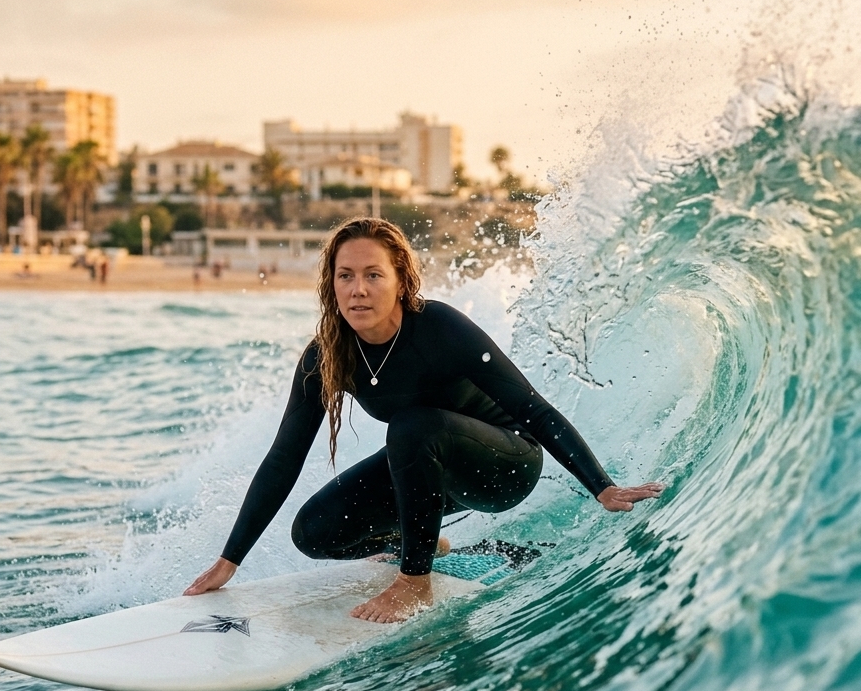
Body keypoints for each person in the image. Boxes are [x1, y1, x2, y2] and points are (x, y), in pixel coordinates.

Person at [185, 218, 662, 622]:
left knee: (411, 427)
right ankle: (431, 545)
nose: (358, 289)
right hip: (431, 470)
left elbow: (530, 408)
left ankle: (415, 580)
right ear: (330, 284)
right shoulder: (326, 354)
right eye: (345, 276)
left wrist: (602, 486)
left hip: (504, 465)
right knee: (314, 531)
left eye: (374, 275)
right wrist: (230, 560)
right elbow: (284, 457)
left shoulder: (438, 327)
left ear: (401, 280)